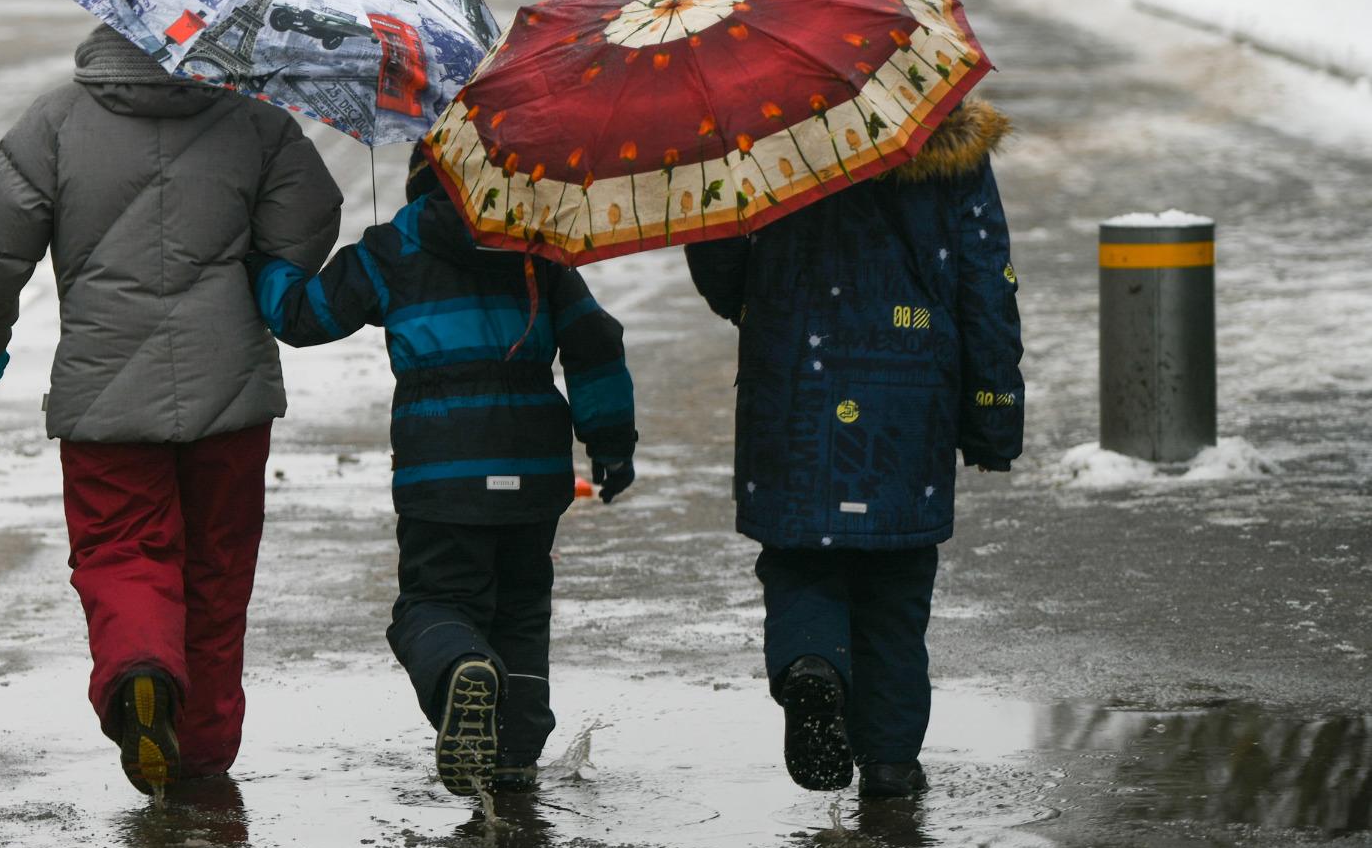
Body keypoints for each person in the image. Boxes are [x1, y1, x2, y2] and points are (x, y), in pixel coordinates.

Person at [0, 24, 340, 795]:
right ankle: (202, 749)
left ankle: (140, 673)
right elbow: (310, 214)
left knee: (121, 551)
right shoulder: (254, 119)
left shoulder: (53, 124)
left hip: (103, 402)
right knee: (218, 572)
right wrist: (270, 277)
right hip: (231, 396)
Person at [256, 150, 637, 795]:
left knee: (433, 602)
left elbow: (302, 317)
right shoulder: (538, 244)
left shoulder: (394, 247)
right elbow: (594, 341)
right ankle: (515, 751)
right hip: (534, 467)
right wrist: (610, 443)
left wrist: (263, 262)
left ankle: (461, 665)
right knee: (520, 608)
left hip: (442, 467)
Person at [686, 95, 1022, 803]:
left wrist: (756, 301)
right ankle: (892, 763)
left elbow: (713, 243)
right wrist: (992, 418)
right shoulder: (948, 142)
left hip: (794, 382)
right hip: (911, 394)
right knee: (896, 588)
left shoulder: (763, 129)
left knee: (802, 558)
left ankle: (812, 666)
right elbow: (984, 284)